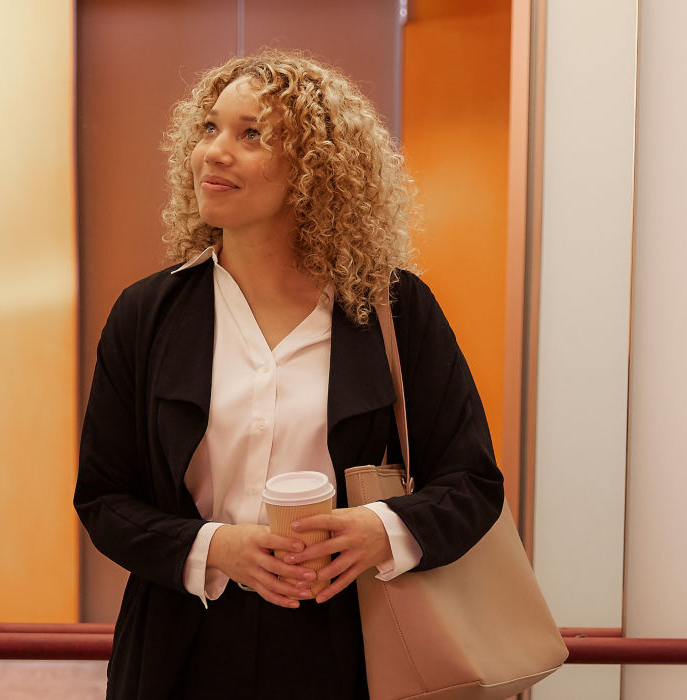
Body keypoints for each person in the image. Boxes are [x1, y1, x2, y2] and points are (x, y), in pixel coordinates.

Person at [74, 49, 504, 699]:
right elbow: (104, 499)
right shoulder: (148, 313)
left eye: (252, 134)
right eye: (210, 128)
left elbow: (472, 483)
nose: (215, 151)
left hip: (355, 649)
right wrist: (217, 548)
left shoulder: (394, 309)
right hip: (180, 649)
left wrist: (379, 531)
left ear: (317, 172)